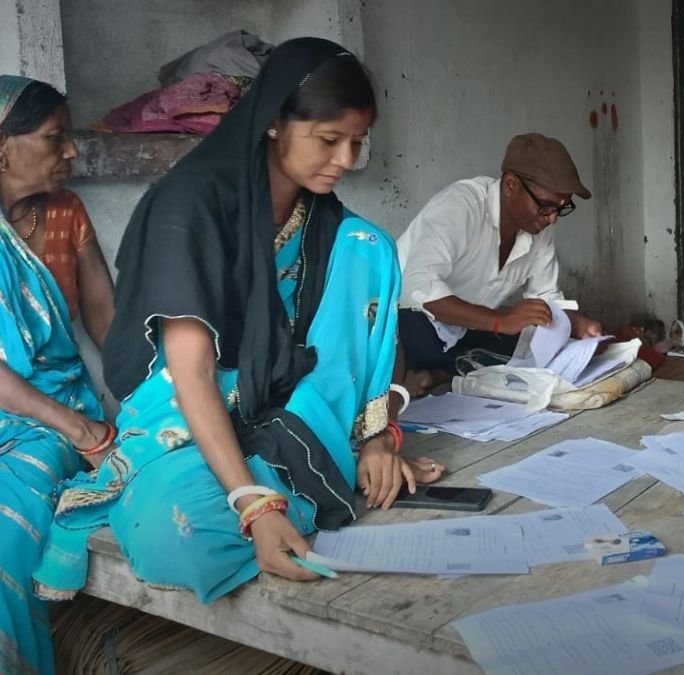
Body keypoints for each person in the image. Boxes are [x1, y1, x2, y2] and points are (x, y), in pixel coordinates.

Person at [32, 38, 440, 606]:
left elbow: (363, 351)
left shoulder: (340, 234)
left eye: (357, 142)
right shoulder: (189, 208)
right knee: (173, 533)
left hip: (296, 412)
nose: (346, 161)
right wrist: (254, 503)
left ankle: (339, 461)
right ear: (275, 122)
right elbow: (193, 376)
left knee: (369, 245)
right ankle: (315, 478)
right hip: (190, 416)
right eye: (329, 140)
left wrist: (377, 440)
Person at [0, 76, 114, 674]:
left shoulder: (67, 213)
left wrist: (141, 400)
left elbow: (104, 315)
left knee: (5, 529)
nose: (71, 152)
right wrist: (86, 432)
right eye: (55, 137)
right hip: (45, 415)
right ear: (1, 148)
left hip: (46, 418)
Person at [396, 133, 602, 394]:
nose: (552, 219)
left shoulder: (539, 229)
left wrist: (574, 322)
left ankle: (438, 374)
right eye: (546, 206)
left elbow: (547, 299)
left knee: (525, 346)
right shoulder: (462, 205)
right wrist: (499, 320)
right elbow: (419, 287)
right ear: (511, 185)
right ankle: (432, 372)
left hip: (465, 329)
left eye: (561, 208)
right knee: (414, 337)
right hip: (406, 322)